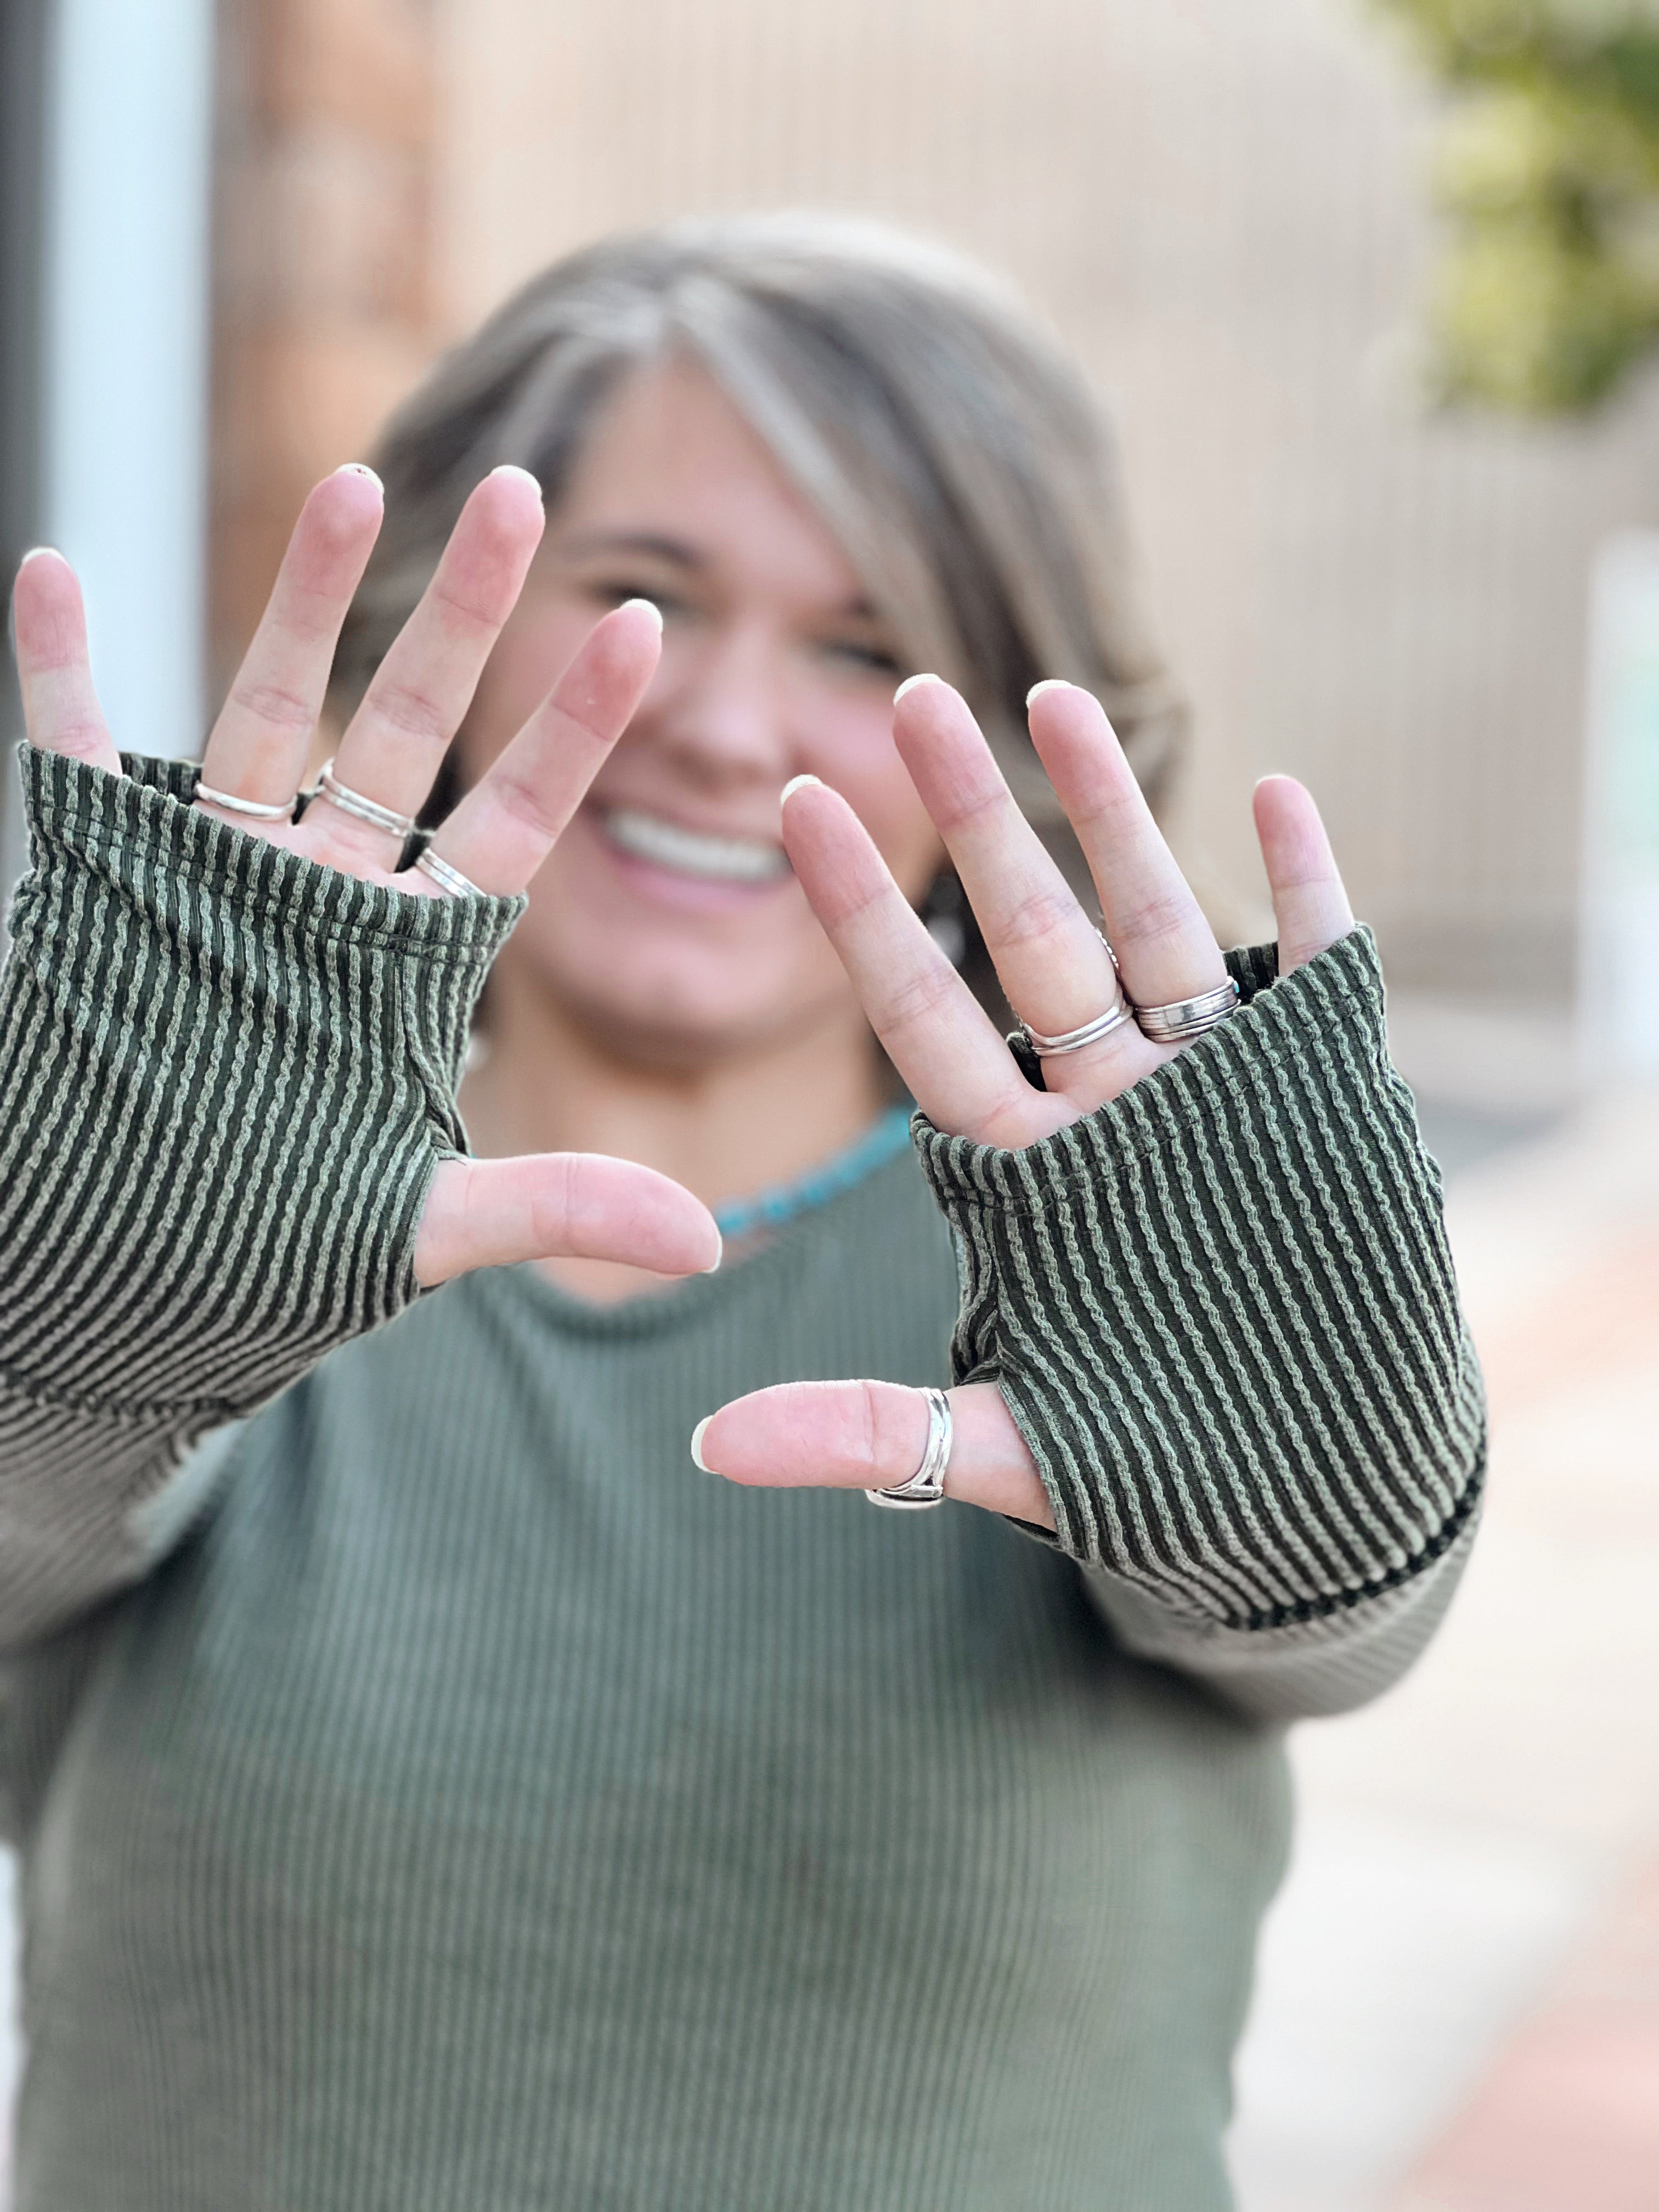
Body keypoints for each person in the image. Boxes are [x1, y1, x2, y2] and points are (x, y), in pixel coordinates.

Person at [0, 217, 1484, 2211]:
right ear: (463, 612)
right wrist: (94, 1291)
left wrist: (1276, 1441)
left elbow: (1333, 1632)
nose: (722, 721)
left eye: (869, 645)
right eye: (642, 595)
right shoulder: (186, 1198)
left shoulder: (1129, 1261)